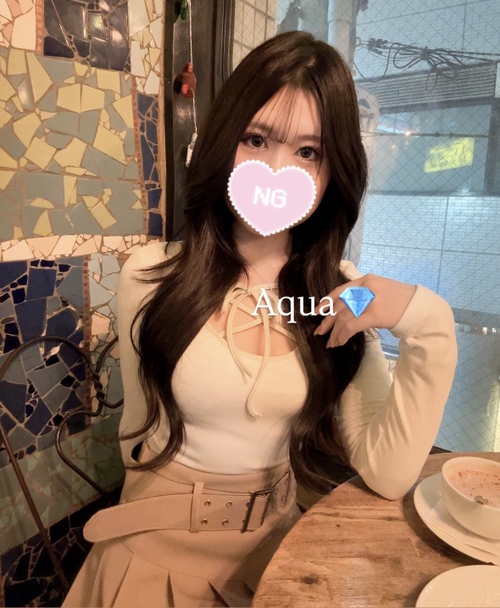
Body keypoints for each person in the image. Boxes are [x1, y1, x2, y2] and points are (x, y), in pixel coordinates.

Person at [63, 31, 457, 608]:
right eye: (256, 139)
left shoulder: (339, 293)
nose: (278, 168)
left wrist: (429, 321)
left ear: (334, 170)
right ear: (225, 142)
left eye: (309, 152)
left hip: (277, 562)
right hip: (153, 556)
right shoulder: (150, 274)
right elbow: (140, 434)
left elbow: (389, 472)